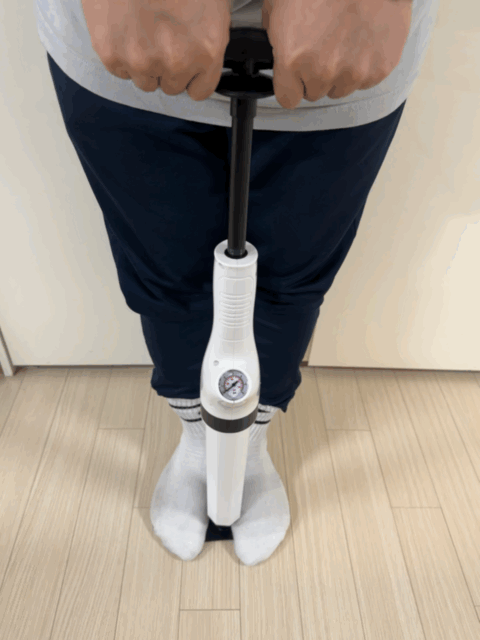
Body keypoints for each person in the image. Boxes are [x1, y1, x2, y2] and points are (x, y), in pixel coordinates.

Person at [35, 0, 440, 565]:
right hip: (128, 51)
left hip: (342, 53)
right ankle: (198, 439)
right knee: (165, 275)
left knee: (291, 282)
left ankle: (250, 442)